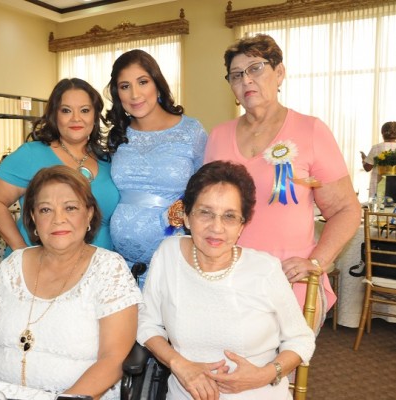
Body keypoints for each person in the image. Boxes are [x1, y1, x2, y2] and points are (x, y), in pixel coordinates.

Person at [204, 34, 361, 325]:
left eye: (255, 68)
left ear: (279, 73)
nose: (246, 80)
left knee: (278, 371)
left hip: (288, 280)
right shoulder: (218, 135)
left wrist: (316, 262)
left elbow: (345, 210)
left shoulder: (310, 130)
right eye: (236, 75)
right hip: (228, 279)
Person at [0, 165, 142, 398]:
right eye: (46, 210)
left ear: (89, 214)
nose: (58, 219)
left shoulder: (109, 269)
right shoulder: (15, 264)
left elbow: (114, 358)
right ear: (33, 217)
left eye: (70, 208)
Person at [137, 161, 315, 400]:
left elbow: (301, 339)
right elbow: (147, 322)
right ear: (187, 217)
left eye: (229, 216)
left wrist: (265, 374)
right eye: (205, 213)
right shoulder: (168, 254)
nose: (216, 227)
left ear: (242, 225)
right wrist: (180, 365)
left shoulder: (265, 269)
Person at [105, 49, 207, 286]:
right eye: (124, 86)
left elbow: (205, 193)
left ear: (157, 85)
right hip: (121, 268)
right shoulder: (117, 136)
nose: (135, 94)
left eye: (143, 82)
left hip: (174, 264)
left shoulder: (191, 131)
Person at [0, 78, 119, 254]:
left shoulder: (108, 161)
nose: (76, 118)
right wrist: (20, 251)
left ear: (95, 116)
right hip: (41, 268)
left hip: (97, 269)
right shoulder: (31, 154)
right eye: (66, 111)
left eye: (85, 110)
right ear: (55, 115)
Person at [360, 121, 396, 198]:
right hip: (394, 189)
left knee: (378, 209)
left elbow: (367, 168)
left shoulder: (376, 148)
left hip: (378, 188)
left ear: (382, 133)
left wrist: (364, 159)